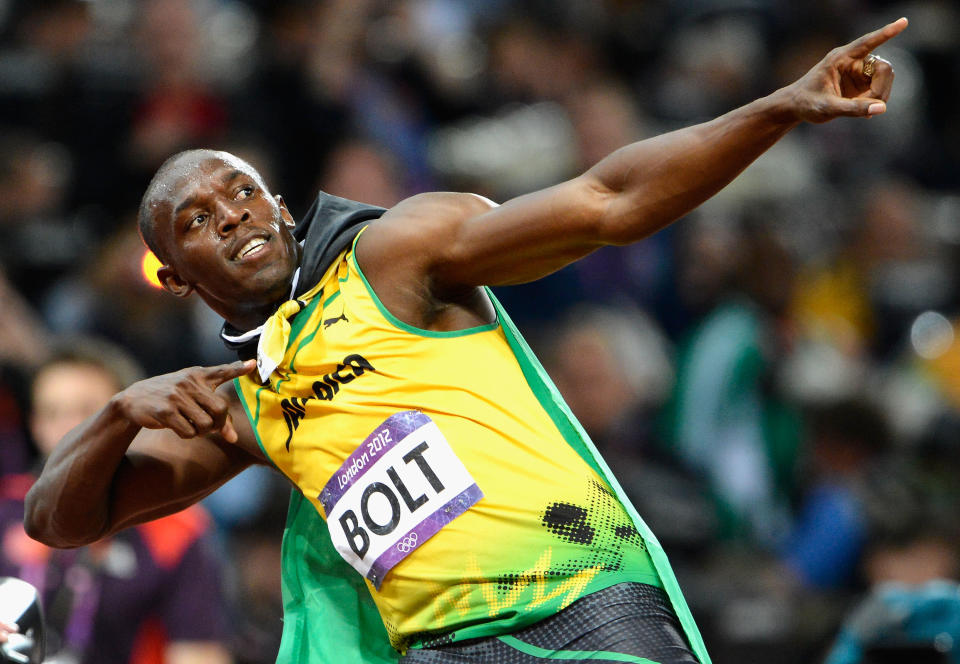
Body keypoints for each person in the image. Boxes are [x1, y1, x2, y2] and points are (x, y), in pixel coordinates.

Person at [22, 19, 907, 664]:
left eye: (244, 194)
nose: (235, 219)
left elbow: (608, 203)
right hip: (441, 651)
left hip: (583, 600)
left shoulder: (393, 254)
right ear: (174, 275)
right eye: (199, 221)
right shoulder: (240, 402)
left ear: (283, 207)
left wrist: (780, 109)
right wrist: (111, 416)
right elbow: (60, 520)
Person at [2, 339, 232, 664]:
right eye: (51, 413)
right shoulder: (5, 506)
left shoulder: (177, 531)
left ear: (134, 424)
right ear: (34, 424)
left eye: (87, 412)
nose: (68, 430)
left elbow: (199, 655)